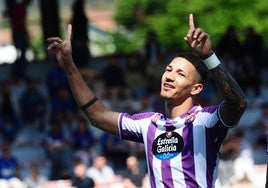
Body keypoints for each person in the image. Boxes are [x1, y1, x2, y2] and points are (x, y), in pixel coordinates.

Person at [47, 14, 247, 188]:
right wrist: (69, 66)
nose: (169, 76)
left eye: (180, 74)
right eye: (168, 70)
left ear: (196, 88)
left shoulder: (206, 121)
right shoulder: (149, 124)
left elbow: (238, 104)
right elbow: (97, 116)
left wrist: (209, 57)